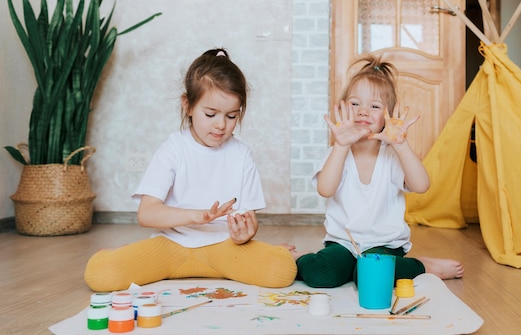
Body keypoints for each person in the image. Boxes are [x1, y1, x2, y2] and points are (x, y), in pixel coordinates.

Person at [84, 48, 297, 292]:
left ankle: (256, 256)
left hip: (224, 247)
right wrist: (198, 216)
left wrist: (245, 236)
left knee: (282, 270)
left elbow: (249, 221)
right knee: (100, 274)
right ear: (188, 105)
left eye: (231, 116)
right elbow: (147, 214)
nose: (220, 125)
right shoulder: (172, 149)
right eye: (210, 114)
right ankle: (121, 255)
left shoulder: (242, 155)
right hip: (172, 245)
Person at [295, 55, 464, 288]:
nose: (363, 111)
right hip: (343, 243)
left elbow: (421, 185)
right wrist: (341, 146)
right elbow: (325, 189)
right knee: (320, 274)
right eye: (355, 104)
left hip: (384, 244)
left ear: (388, 116)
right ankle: (300, 257)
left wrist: (401, 144)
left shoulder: (391, 155)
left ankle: (422, 266)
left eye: (374, 106)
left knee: (370, 277)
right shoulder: (337, 152)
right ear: (343, 108)